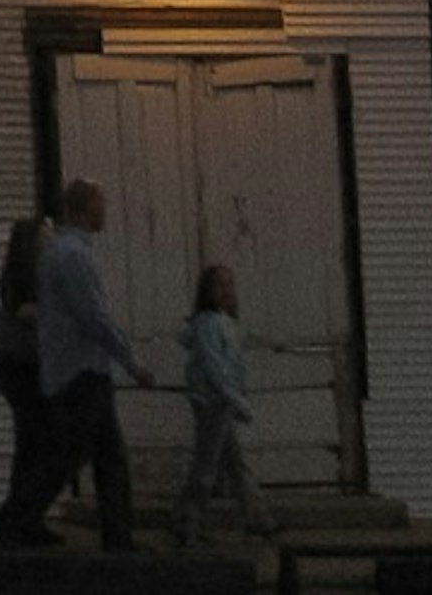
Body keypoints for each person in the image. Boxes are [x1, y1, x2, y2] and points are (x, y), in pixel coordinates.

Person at [29, 178, 154, 550]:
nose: (106, 212)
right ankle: (19, 515)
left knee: (100, 455)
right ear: (86, 208)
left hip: (72, 369)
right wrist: (132, 363)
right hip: (81, 370)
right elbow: (93, 318)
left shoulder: (60, 253)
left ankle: (117, 536)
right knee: (84, 455)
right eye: (101, 205)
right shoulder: (74, 256)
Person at [0, 217, 61, 547]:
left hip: (27, 370)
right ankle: (15, 517)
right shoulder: (22, 278)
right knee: (38, 447)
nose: (51, 240)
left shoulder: (39, 275)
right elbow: (27, 313)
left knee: (32, 448)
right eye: (45, 235)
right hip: (26, 371)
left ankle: (24, 517)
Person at [173, 262, 261, 545]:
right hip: (213, 401)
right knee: (207, 465)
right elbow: (214, 365)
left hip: (219, 401)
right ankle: (188, 522)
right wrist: (236, 399)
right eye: (220, 285)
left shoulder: (223, 324)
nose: (227, 291)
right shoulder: (210, 325)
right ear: (207, 292)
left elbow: (234, 349)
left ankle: (257, 517)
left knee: (233, 463)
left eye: (230, 284)